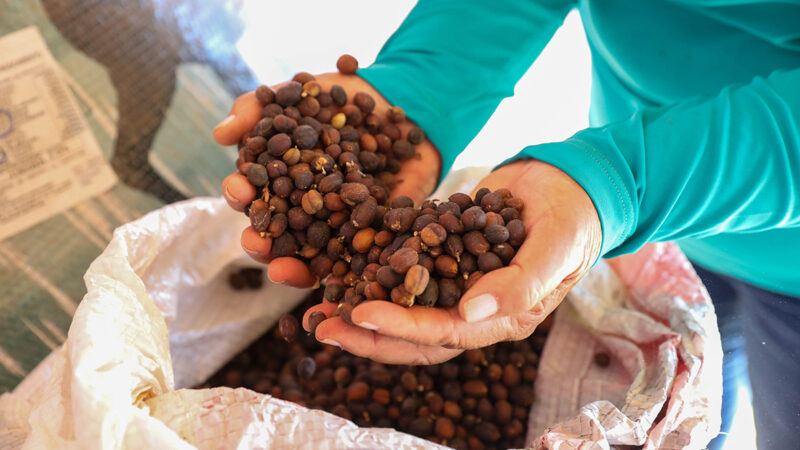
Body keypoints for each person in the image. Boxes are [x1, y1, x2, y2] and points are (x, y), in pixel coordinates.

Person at [213, 1, 800, 448]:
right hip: (650, 216)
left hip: (786, 268)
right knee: (672, 391)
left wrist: (623, 178)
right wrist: (430, 79)